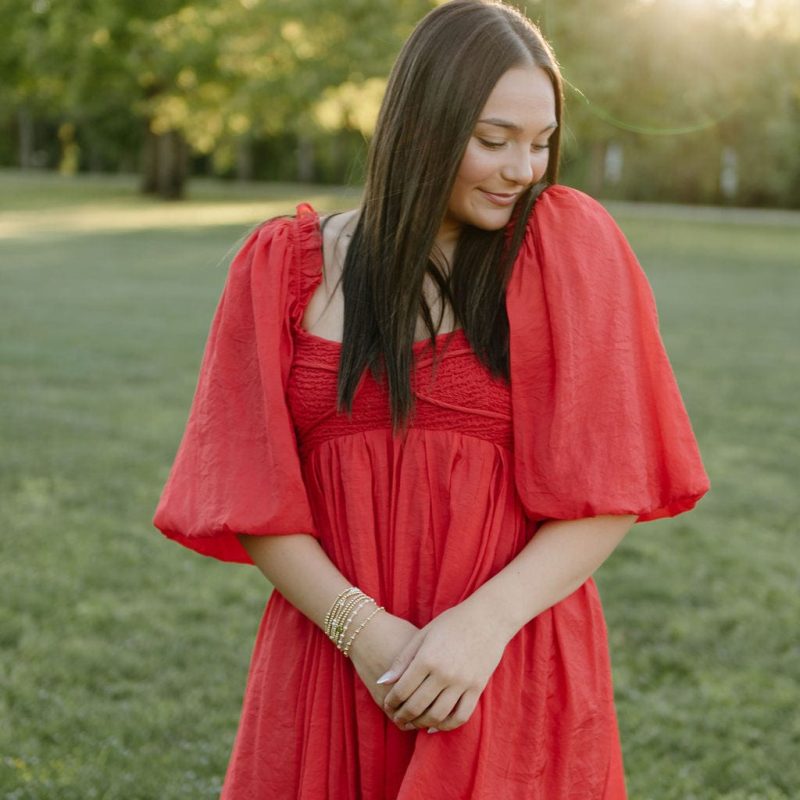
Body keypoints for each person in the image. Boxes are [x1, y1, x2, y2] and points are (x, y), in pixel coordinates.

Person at [152, 1, 710, 797]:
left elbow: (608, 488)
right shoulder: (281, 268)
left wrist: (480, 629)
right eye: (494, 140)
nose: (524, 169)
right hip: (335, 664)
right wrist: (364, 633)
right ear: (420, 126)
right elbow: (251, 497)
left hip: (505, 661)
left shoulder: (564, 250)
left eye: (541, 142)